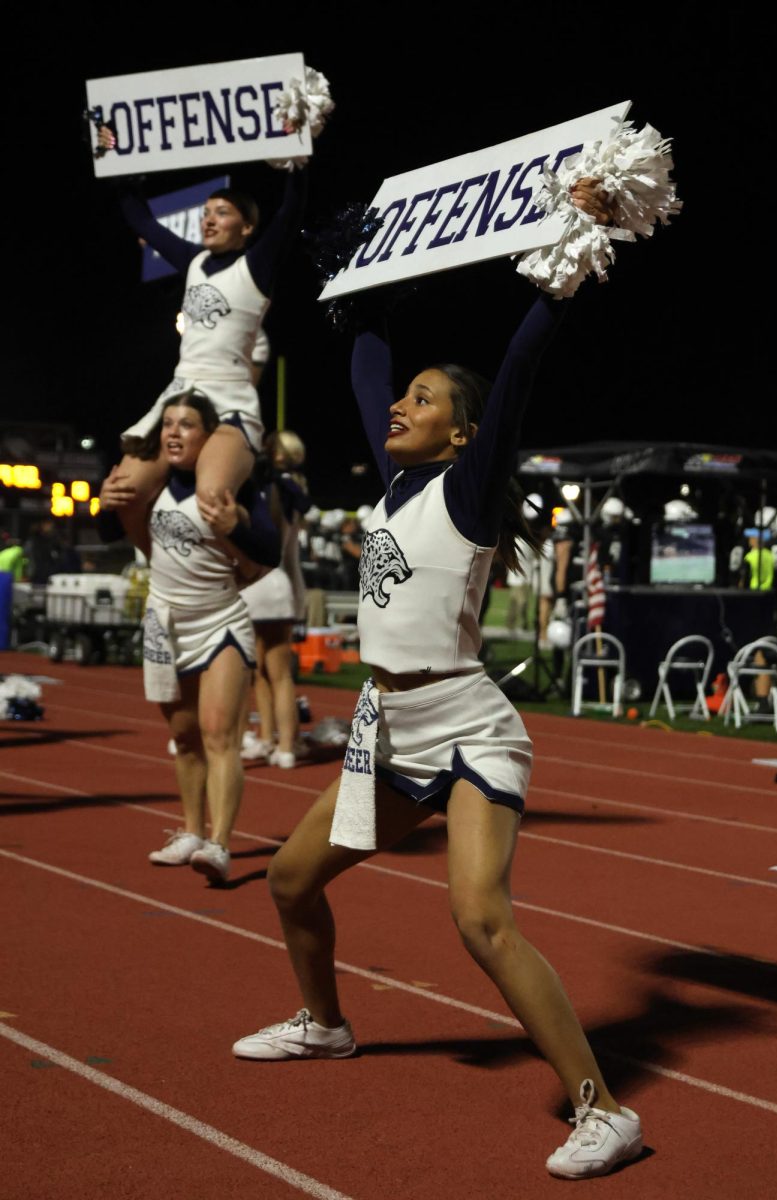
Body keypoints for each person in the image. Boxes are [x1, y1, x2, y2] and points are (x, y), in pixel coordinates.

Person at [232, 180, 643, 1179]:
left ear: (461, 433)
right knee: (289, 882)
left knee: (477, 916)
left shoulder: (463, 488)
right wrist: (359, 282)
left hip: (462, 722)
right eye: (402, 399)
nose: (399, 409)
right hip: (384, 723)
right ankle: (325, 1021)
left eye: (423, 400)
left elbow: (515, 362)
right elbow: (367, 363)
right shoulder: (397, 484)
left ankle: (601, 1112)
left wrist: (572, 244)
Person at [98, 392, 280, 883]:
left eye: (188, 425)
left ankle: (220, 843)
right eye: (169, 425)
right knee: (183, 737)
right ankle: (192, 833)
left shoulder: (232, 487)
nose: (175, 433)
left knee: (221, 735)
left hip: (219, 621)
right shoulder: (153, 484)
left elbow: (270, 548)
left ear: (212, 436)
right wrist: (103, 502)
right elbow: (103, 533)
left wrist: (236, 526)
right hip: (165, 622)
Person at [95, 123, 308, 537]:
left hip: (230, 400)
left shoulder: (256, 266)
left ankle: (247, 572)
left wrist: (297, 162)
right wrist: (120, 160)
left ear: (247, 228)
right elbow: (141, 219)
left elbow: (289, 216)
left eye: (222, 213)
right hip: (180, 395)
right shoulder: (192, 260)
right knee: (123, 493)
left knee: (211, 501)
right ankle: (161, 573)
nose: (209, 220)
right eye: (206, 213)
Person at [240, 430, 312, 768]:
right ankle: (280, 743)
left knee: (265, 673)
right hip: (277, 585)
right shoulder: (288, 489)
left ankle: (275, 740)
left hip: (254, 583)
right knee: (275, 673)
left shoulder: (266, 487)